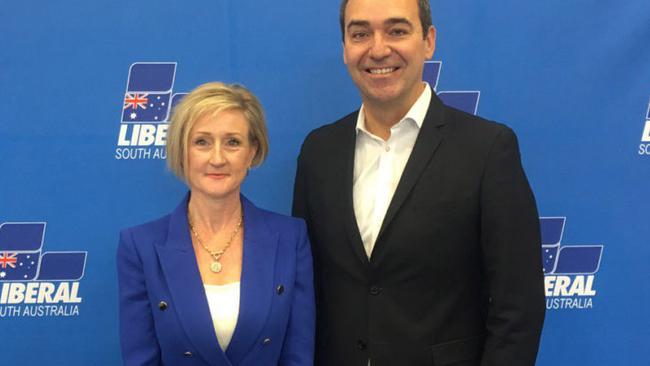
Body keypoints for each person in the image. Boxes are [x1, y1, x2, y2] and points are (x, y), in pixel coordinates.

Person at [292, 0, 545, 365]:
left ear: (428, 40)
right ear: (345, 48)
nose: (378, 49)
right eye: (360, 33)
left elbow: (518, 309)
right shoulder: (319, 151)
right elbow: (308, 291)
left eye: (397, 30)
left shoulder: (487, 150)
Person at [117, 82, 315, 366]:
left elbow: (298, 355)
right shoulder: (140, 247)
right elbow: (141, 359)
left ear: (252, 152)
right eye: (202, 142)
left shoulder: (290, 238)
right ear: (181, 150)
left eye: (233, 142)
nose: (218, 158)